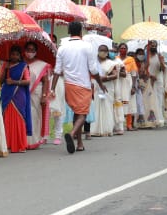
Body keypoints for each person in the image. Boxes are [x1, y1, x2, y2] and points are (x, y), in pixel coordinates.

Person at [53, 21, 103, 153]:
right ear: (81, 32)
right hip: (83, 85)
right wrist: (101, 84)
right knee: (83, 115)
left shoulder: (62, 48)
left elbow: (57, 71)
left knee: (77, 113)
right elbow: (93, 69)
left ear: (69, 32)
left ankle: (80, 144)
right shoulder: (87, 46)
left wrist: (52, 88)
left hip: (68, 85)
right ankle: (72, 133)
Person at [0, 45, 32, 152]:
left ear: (20, 56)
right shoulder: (5, 65)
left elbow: (27, 81)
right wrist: (5, 69)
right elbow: (0, 80)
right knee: (7, 119)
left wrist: (14, 82)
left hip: (19, 95)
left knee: (19, 119)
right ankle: (8, 144)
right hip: (6, 94)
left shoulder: (23, 66)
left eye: (16, 54)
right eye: (12, 54)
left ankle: (20, 145)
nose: (14, 56)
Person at [23, 42, 50, 150]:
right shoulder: (20, 63)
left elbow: (45, 81)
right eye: (28, 49)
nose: (30, 52)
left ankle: (33, 140)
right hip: (22, 92)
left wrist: (44, 96)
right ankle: (23, 140)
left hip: (37, 93)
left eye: (32, 50)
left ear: (36, 52)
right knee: (23, 116)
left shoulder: (41, 65)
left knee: (34, 116)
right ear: (24, 50)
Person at [90, 45, 116, 136]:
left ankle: (107, 129)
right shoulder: (93, 63)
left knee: (107, 106)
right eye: (101, 50)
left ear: (107, 52)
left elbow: (115, 75)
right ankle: (94, 129)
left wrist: (106, 77)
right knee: (95, 106)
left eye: (105, 51)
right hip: (95, 86)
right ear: (98, 51)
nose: (103, 52)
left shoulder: (111, 63)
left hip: (107, 87)